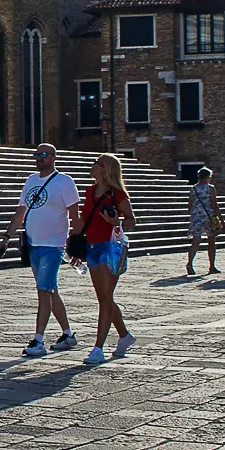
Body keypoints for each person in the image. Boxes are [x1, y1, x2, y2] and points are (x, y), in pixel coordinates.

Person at [0, 143, 79, 357]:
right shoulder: (31, 181)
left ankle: (38, 340)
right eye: (36, 155)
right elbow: (21, 211)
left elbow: (74, 215)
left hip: (53, 245)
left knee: (44, 291)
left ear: (53, 157)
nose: (38, 158)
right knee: (51, 291)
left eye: (43, 155)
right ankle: (68, 335)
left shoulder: (65, 182)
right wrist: (7, 236)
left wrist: (75, 241)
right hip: (33, 244)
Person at [80, 153, 138, 365]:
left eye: (96, 164)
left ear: (104, 169)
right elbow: (83, 219)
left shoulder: (118, 195)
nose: (92, 166)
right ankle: (124, 335)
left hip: (110, 248)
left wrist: (117, 221)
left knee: (105, 298)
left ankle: (98, 348)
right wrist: (73, 240)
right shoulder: (89, 191)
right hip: (91, 247)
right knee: (104, 298)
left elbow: (132, 221)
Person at [185, 167, 219, 276]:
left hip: (196, 217)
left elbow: (189, 206)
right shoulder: (210, 188)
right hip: (209, 216)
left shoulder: (193, 188)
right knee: (211, 241)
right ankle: (212, 266)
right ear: (208, 177)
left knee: (195, 241)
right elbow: (214, 205)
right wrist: (220, 219)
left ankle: (190, 263)